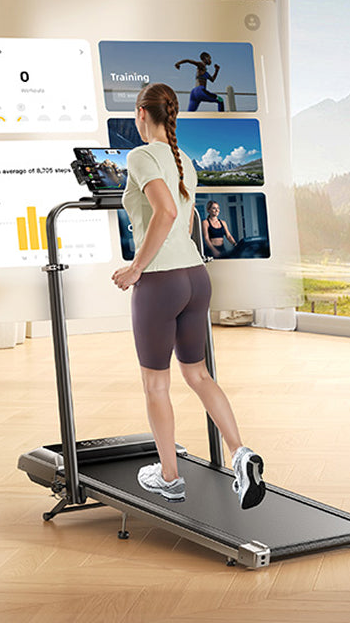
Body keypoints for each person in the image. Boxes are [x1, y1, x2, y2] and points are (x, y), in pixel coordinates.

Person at [111, 82, 265, 508]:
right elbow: (187, 214)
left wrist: (135, 268)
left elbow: (167, 212)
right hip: (196, 277)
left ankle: (169, 476)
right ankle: (241, 454)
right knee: (197, 374)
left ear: (143, 113)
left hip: (160, 282)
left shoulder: (140, 156)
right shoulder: (185, 158)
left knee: (155, 384)